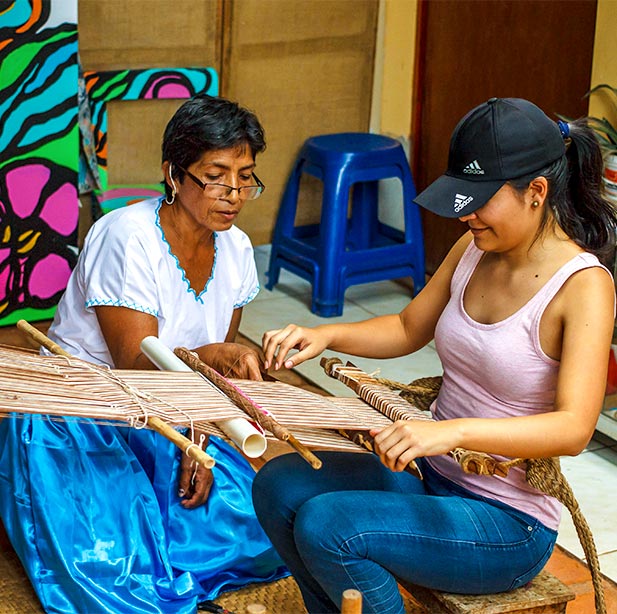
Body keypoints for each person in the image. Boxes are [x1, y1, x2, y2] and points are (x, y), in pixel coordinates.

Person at [254, 97, 617, 614]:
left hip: (506, 522)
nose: (466, 214)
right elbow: (407, 326)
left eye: (479, 200)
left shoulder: (583, 286)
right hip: (433, 475)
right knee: (277, 486)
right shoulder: (475, 246)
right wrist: (327, 335)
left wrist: (452, 431)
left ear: (536, 192)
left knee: (329, 526)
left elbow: (574, 428)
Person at [0, 94, 287, 613]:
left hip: (174, 413)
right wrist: (215, 357)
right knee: (113, 567)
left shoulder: (238, 248)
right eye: (216, 175)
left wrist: (198, 439)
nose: (235, 193)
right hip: (81, 410)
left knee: (259, 530)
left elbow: (209, 373)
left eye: (245, 176)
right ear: (173, 174)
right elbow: (135, 366)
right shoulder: (125, 236)